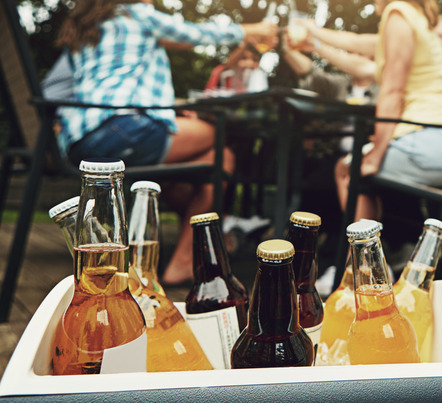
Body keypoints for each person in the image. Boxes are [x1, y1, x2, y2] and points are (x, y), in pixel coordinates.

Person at [56, 0, 278, 285]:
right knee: (223, 146)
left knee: (213, 158)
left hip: (81, 142)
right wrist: (253, 30)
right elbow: (193, 33)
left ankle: (195, 248)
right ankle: (193, 253)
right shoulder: (136, 14)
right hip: (123, 130)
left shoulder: (88, 29)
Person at [300, 0, 442, 224]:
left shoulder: (398, 13)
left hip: (432, 149)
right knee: (364, 166)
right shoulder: (420, 22)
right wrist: (315, 37)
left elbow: (393, 90)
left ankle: (359, 248)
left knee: (349, 168)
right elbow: (356, 45)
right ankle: (374, 245)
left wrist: (376, 153)